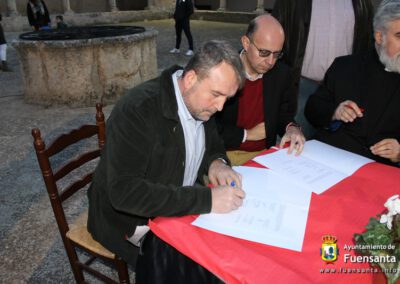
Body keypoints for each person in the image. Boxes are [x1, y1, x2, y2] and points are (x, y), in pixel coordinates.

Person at [87, 40, 246, 283]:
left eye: (227, 97)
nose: (221, 106)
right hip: (127, 221)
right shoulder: (138, 110)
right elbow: (124, 193)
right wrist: (206, 199)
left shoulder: (200, 103)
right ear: (191, 78)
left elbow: (212, 145)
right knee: (201, 272)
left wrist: (217, 163)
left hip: (175, 206)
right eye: (216, 95)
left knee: (232, 255)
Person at [305, 0, 400, 167]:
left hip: (377, 173)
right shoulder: (345, 66)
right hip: (327, 161)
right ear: (379, 37)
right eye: (399, 36)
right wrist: (335, 111)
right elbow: (312, 109)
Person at [272, 0, 374, 139]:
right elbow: (275, 34)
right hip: (300, 88)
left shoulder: (361, 3)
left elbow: (367, 43)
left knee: (337, 152)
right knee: (295, 150)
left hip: (344, 92)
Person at [216, 14, 305, 166]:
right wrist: (247, 135)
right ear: (246, 43)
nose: (270, 62)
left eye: (277, 54)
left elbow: (283, 113)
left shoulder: (281, 73)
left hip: (264, 154)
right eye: (264, 52)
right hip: (222, 153)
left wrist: (291, 128)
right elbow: (208, 125)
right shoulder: (221, 71)